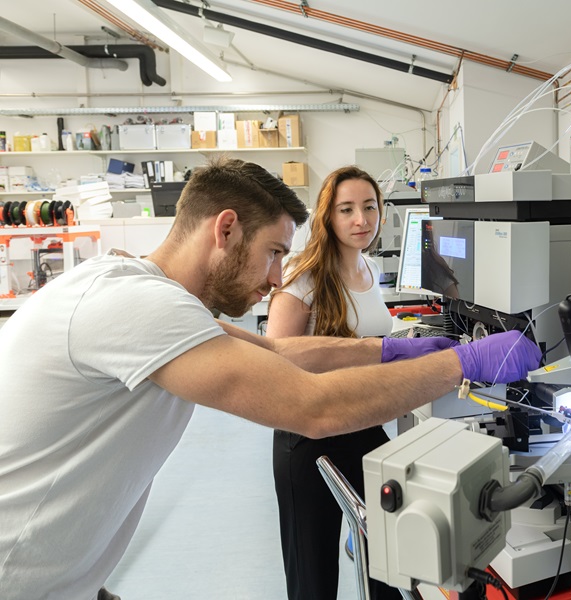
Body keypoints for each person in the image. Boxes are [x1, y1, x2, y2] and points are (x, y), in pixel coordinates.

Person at [0, 156, 541, 599]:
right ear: (227, 229)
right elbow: (314, 407)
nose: (279, 277)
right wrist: (460, 365)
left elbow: (278, 351)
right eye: (274, 253)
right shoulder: (138, 305)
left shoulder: (150, 295)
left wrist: (390, 349)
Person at [266, 166, 409, 599]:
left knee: (387, 554)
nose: (361, 220)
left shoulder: (367, 268)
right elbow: (276, 360)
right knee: (313, 578)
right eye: (347, 210)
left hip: (361, 422)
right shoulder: (304, 276)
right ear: (327, 217)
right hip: (310, 433)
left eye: (369, 207)